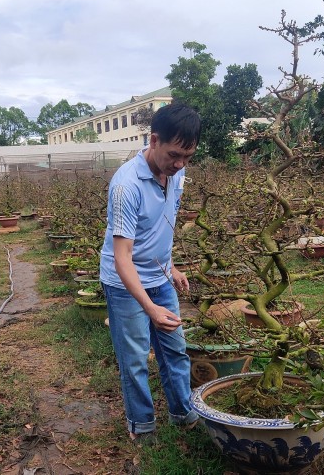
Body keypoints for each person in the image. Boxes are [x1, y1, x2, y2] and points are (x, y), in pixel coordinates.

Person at [99, 102, 201, 443]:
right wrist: (150, 307)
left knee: (175, 350)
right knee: (136, 359)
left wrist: (169, 266)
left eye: (188, 157)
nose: (180, 164)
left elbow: (161, 225)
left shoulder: (177, 172)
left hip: (159, 276)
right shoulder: (126, 185)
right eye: (174, 154)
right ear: (153, 140)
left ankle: (182, 412)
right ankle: (141, 426)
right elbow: (122, 258)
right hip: (124, 282)